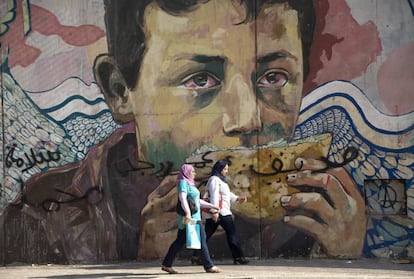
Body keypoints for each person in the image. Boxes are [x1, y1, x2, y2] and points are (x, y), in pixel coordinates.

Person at [3, 0, 366, 264]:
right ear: (119, 91)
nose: (247, 119)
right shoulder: (45, 217)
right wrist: (145, 264)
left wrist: (340, 256)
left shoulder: (319, 215)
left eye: (274, 78)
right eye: (200, 80)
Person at [161, 164, 221, 274]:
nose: (194, 173)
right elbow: (182, 198)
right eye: (192, 171)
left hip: (192, 217)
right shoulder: (183, 182)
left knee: (180, 241)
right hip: (191, 218)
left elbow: (196, 201)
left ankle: (167, 263)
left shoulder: (190, 184)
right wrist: (188, 213)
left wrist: (212, 206)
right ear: (186, 172)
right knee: (202, 239)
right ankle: (209, 266)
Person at [192, 159, 249, 265]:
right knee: (232, 234)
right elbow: (214, 195)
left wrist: (237, 198)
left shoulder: (220, 180)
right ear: (219, 169)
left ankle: (196, 256)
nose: (226, 171)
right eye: (225, 169)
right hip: (221, 212)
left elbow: (226, 194)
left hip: (218, 212)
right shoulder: (214, 180)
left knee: (206, 235)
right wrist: (215, 211)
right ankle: (238, 257)